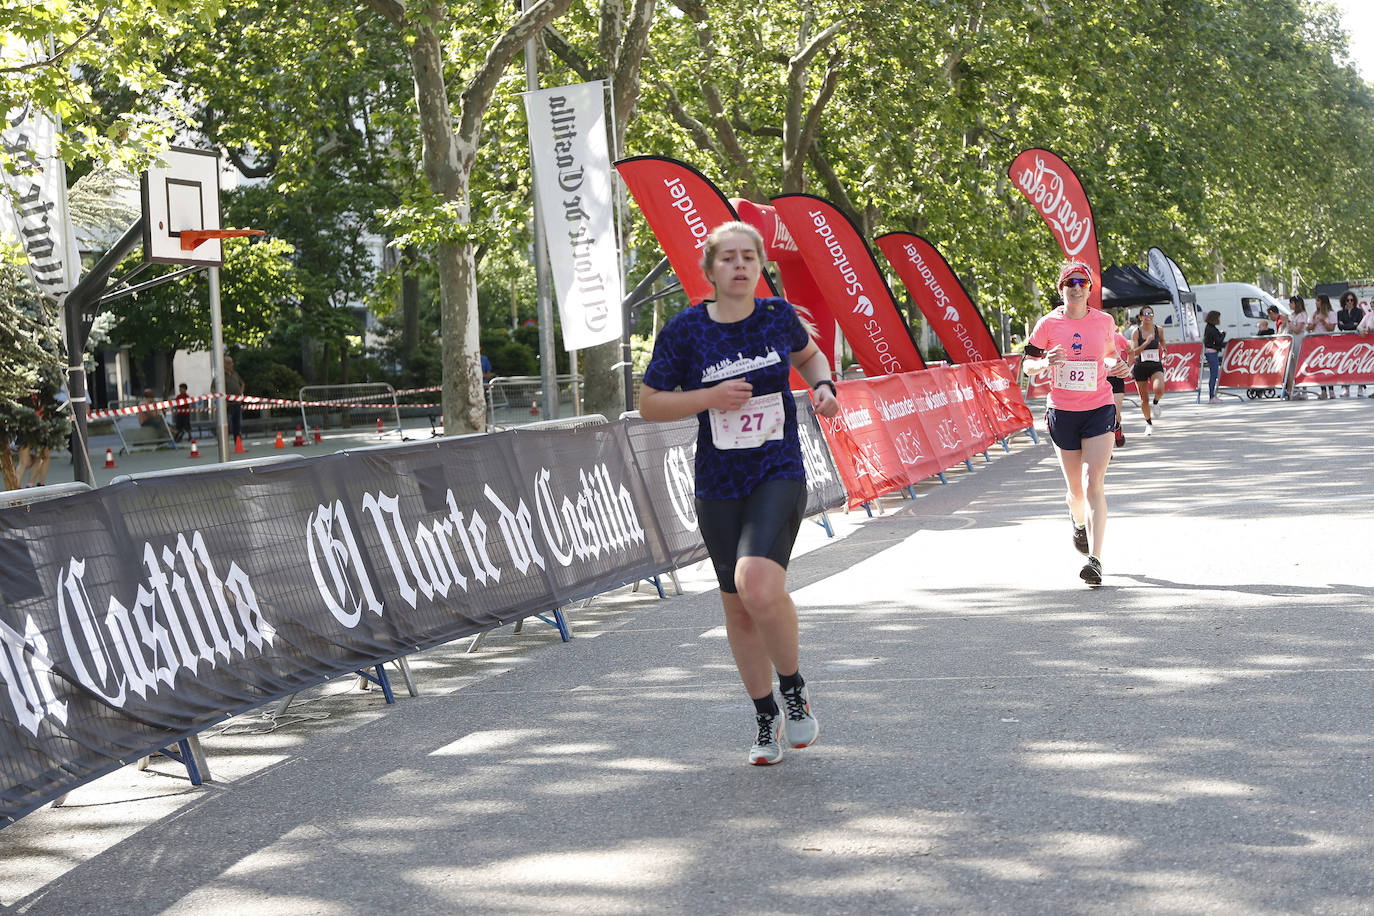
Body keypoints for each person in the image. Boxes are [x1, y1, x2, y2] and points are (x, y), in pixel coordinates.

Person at [638, 220, 840, 767]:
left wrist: (823, 386)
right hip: (719, 481)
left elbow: (811, 358)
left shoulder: (776, 317)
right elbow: (650, 403)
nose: (740, 265)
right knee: (739, 608)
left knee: (757, 582)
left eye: (749, 256)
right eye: (728, 257)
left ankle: (793, 688)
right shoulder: (685, 331)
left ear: (759, 266)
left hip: (778, 469)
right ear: (709, 271)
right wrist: (709, 397)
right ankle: (764, 714)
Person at [1022, 262, 1131, 586]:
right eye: (1070, 281)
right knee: (1075, 492)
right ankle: (1077, 521)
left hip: (1098, 406)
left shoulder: (1104, 321)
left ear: (1089, 289)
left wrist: (1116, 366)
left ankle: (1095, 560)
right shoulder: (1048, 324)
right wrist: (1044, 362)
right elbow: (1027, 365)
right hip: (1063, 411)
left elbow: (1109, 354)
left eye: (1082, 282)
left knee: (1092, 480)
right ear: (1061, 288)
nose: (1076, 286)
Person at [1128, 306, 1167, 435]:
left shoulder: (1158, 329)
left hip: (1155, 365)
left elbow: (1162, 341)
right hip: (1141, 366)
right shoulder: (1136, 332)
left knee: (1159, 389)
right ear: (1140, 317)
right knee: (1144, 399)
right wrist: (1146, 342)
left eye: (1150, 314)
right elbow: (1135, 351)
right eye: (1145, 314)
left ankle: (1156, 403)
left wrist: (1165, 351)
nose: (1148, 316)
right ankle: (1148, 423)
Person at [1336, 292, 1366, 396]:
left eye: (1352, 300)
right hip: (1345, 340)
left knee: (1358, 362)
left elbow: (1360, 324)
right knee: (1345, 363)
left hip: (1357, 340)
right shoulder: (1340, 313)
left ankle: (1360, 387)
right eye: (1348, 300)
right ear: (1344, 301)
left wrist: (1347, 325)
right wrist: (1352, 324)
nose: (1350, 302)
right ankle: (1345, 387)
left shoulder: (1359, 311)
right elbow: (1340, 327)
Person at [1310, 295, 1338, 398]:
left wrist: (1323, 321)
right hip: (1316, 343)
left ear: (1323, 302)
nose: (1316, 303)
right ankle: (1323, 390)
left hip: (1327, 342)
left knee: (1328, 365)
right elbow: (1309, 328)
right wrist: (1314, 322)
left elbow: (1331, 329)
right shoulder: (1314, 314)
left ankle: (1331, 390)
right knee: (1319, 366)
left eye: (1318, 301)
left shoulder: (1331, 314)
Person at [1284, 296, 1308, 399]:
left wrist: (1289, 322)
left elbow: (1297, 329)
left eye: (1291, 303)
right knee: (1292, 365)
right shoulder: (1292, 315)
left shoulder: (1302, 315)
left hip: (1299, 340)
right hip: (1292, 340)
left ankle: (1304, 390)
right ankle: (1295, 389)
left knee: (1300, 363)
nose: (1290, 305)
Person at [1204, 310, 1226, 403]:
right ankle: (1212, 396)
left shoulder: (1209, 327)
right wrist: (1223, 334)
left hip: (1210, 352)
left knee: (1214, 374)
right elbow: (1218, 341)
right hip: (1212, 352)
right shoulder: (1212, 329)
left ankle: (1212, 395)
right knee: (1214, 374)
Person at [224, 356, 245, 445]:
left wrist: (240, 394)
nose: (231, 365)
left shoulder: (235, 374)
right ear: (224, 364)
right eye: (228, 363)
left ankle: (238, 444)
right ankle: (225, 443)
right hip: (228, 405)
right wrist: (223, 400)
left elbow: (242, 383)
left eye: (231, 363)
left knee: (238, 424)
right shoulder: (221, 375)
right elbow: (213, 389)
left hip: (237, 403)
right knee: (227, 425)